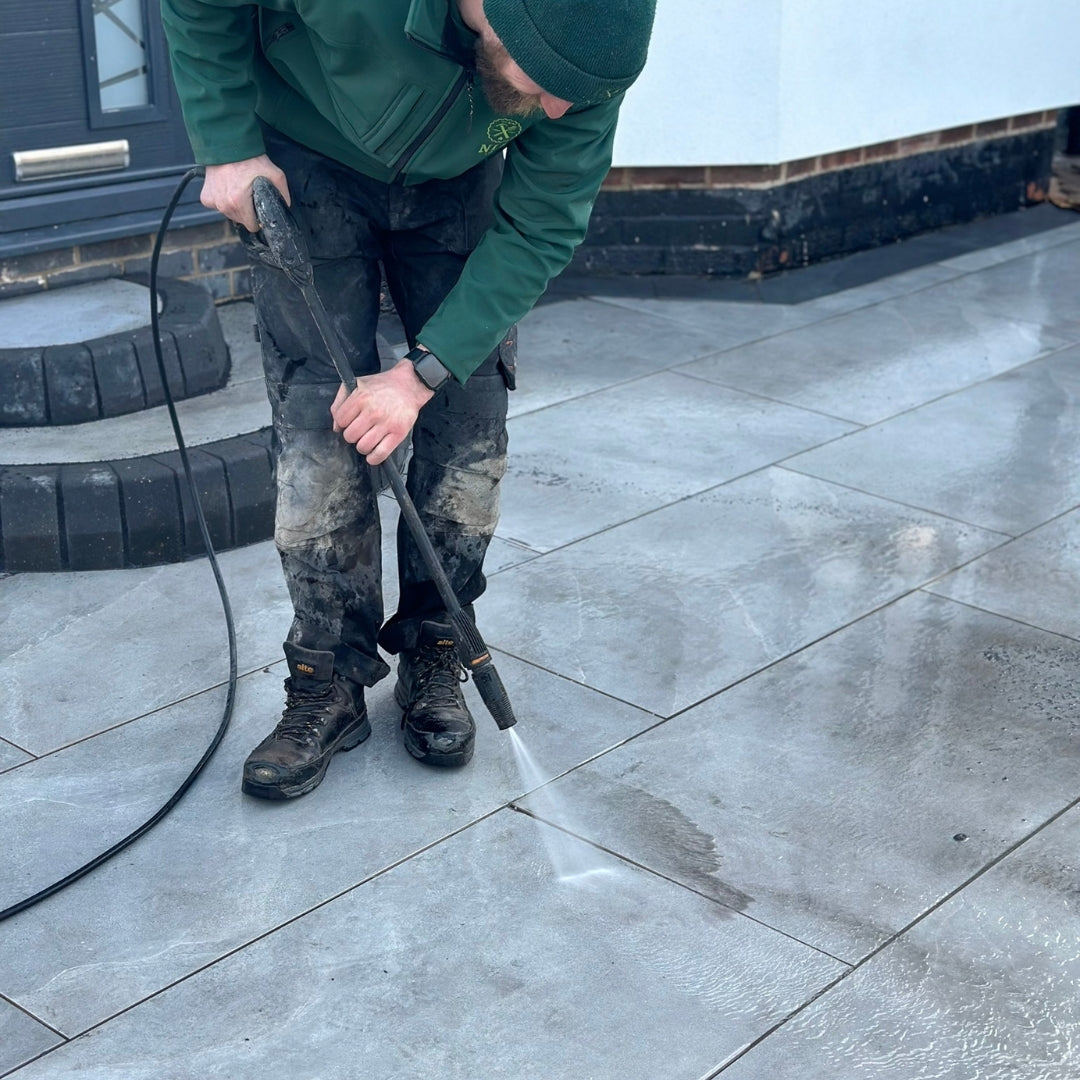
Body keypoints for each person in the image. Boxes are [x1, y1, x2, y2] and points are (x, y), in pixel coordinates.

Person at [160, 0, 656, 798]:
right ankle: (329, 681)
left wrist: (421, 375)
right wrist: (227, 142)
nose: (560, 111)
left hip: (460, 182)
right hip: (309, 150)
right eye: (551, 86)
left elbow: (540, 227)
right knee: (321, 429)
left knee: (469, 430)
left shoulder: (588, 53)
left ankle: (436, 648)